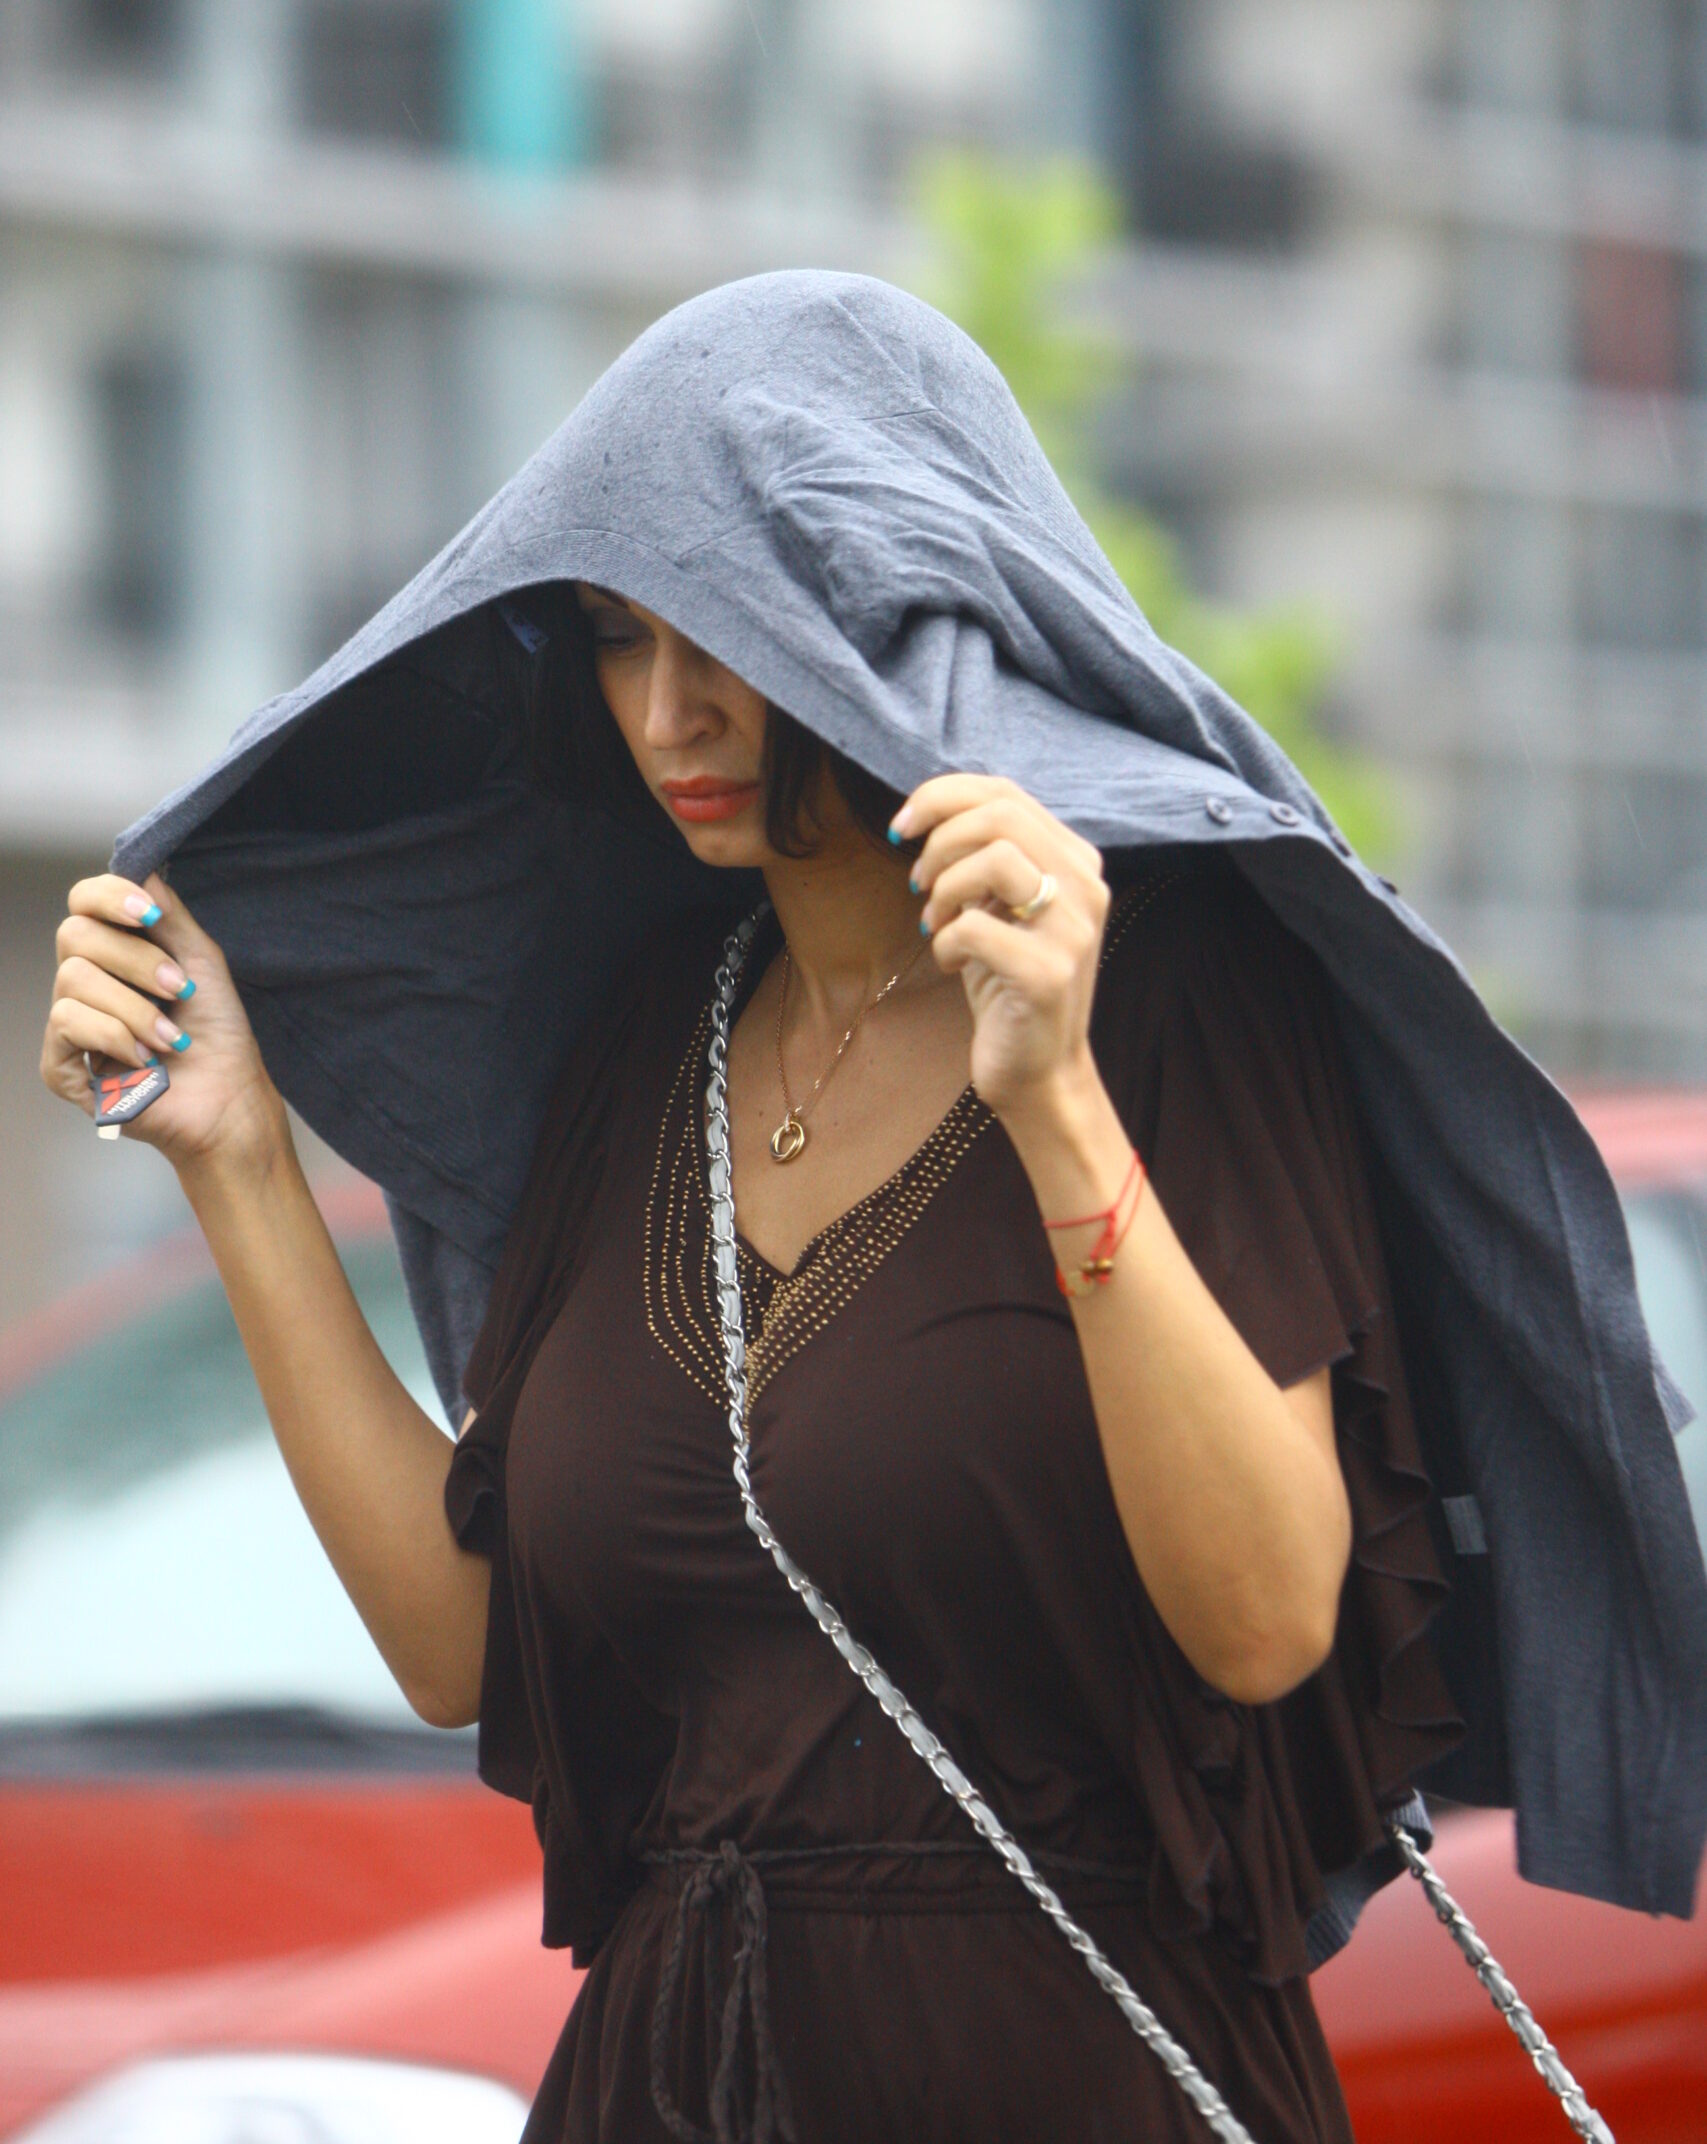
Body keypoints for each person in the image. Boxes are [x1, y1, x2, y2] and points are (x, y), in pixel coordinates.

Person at [39, 273, 1703, 2138]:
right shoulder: (641, 1050)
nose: (668, 710)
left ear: (902, 612)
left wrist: (1054, 1101)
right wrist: (242, 1163)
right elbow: (460, 1650)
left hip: (1064, 2079)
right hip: (661, 2079)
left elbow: (1261, 1622)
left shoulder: (1171, 990)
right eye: (614, 640)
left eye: (732, 637)